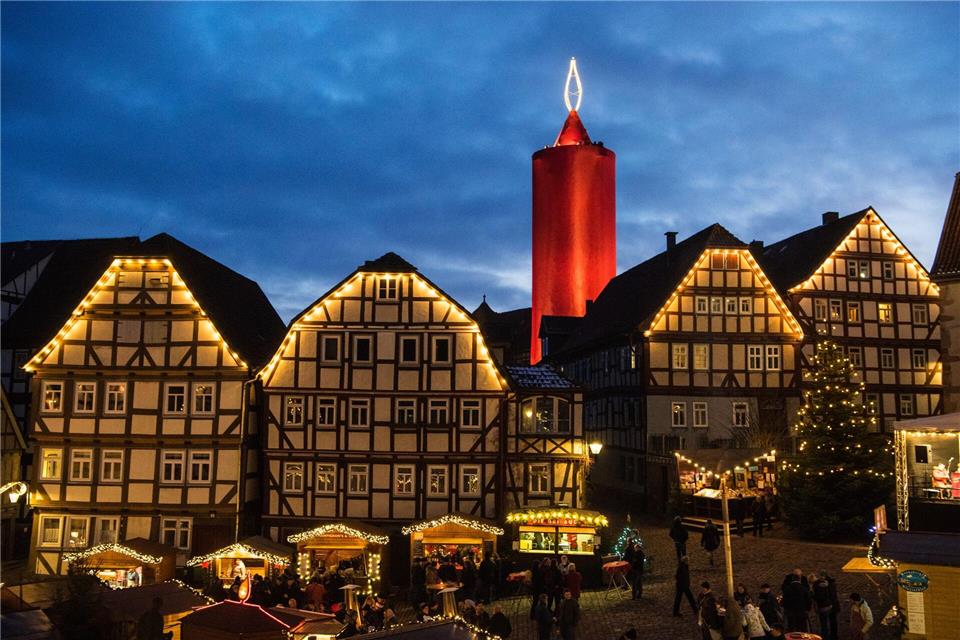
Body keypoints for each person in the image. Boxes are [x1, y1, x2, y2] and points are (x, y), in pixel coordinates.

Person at [812, 572, 837, 640]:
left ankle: (825, 637)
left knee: (824, 624)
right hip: (829, 605)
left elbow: (819, 597)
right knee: (830, 622)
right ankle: (831, 636)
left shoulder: (818, 586)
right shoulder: (828, 584)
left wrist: (813, 596)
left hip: (823, 607)